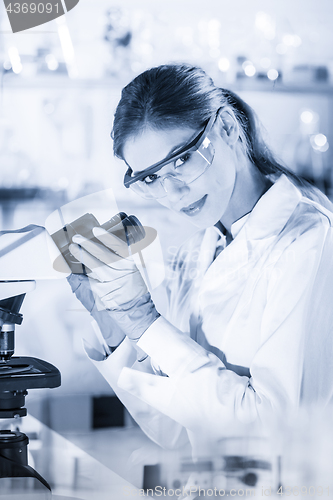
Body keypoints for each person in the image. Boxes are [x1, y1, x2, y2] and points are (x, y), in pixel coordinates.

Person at [67, 64, 333, 456]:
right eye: (151, 179)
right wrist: (116, 323)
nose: (173, 193)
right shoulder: (198, 249)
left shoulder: (310, 240)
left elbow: (272, 434)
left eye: (182, 160)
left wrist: (147, 322)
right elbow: (176, 430)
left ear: (226, 128)